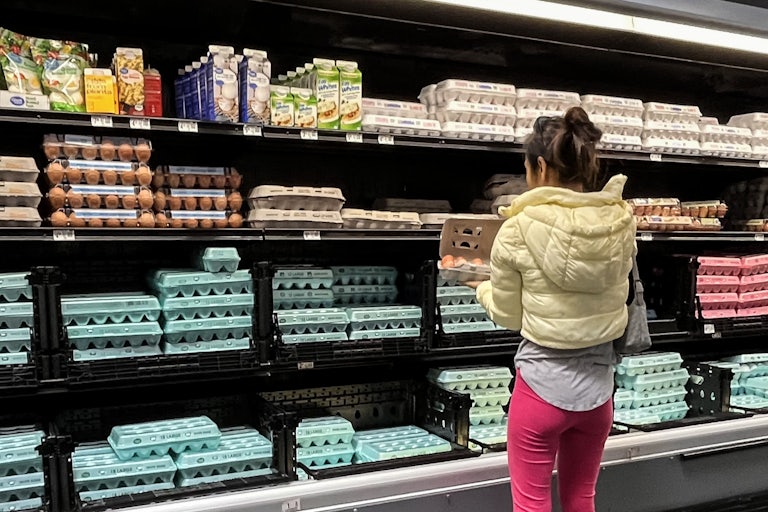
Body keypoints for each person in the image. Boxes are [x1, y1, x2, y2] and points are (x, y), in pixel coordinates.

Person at [473, 106, 636, 512]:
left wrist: (482, 290)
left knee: (531, 505)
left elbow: (509, 316)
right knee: (582, 497)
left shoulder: (517, 228)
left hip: (541, 391)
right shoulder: (620, 222)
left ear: (540, 167)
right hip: (599, 392)